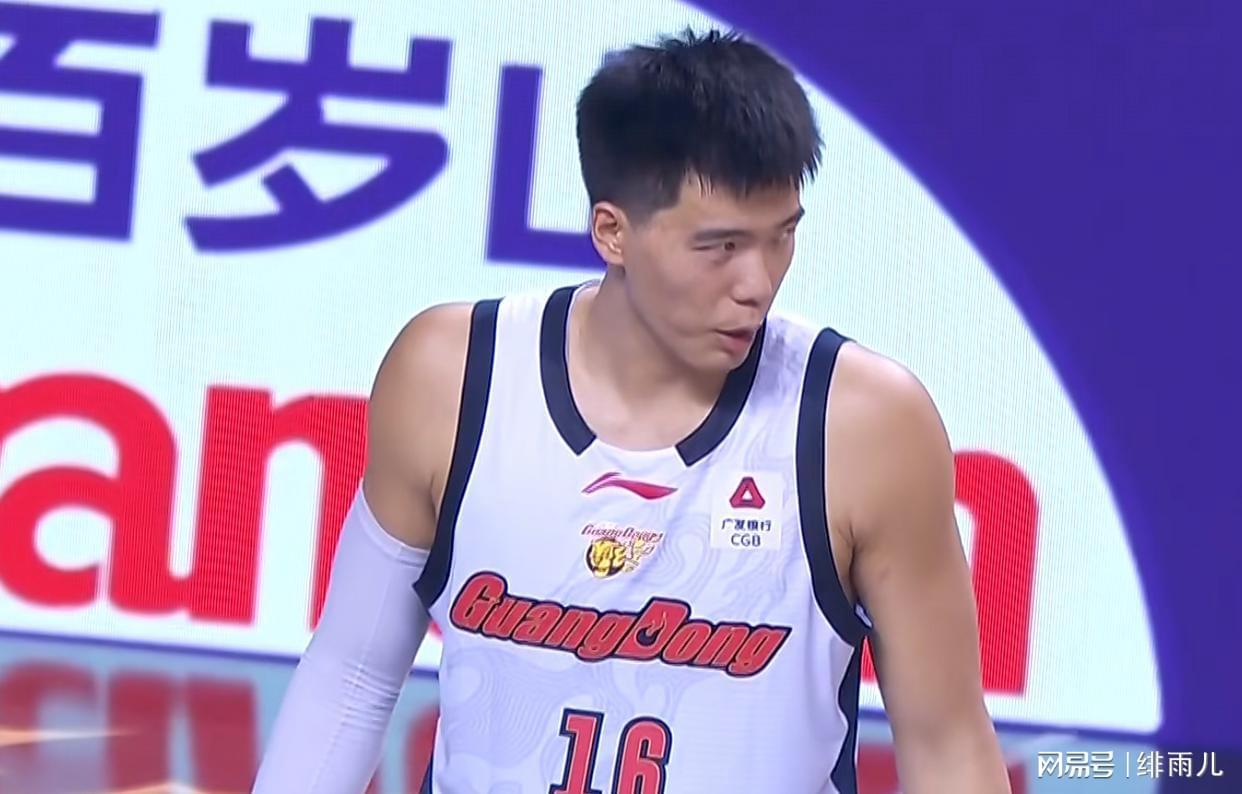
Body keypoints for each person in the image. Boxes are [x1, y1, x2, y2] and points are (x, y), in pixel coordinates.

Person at [252, 28, 1011, 794]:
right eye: (720, 247)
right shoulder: (452, 378)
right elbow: (351, 675)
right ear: (612, 232)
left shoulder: (864, 426)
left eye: (781, 237)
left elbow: (946, 745)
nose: (757, 283)